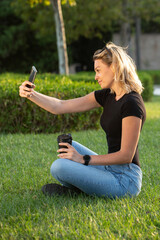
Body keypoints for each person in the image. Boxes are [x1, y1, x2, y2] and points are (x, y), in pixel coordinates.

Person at [19, 42, 146, 198]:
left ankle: (77, 190)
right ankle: (82, 189)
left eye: (98, 71)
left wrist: (83, 159)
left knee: (59, 166)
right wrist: (31, 94)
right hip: (109, 169)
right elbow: (60, 106)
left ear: (114, 67)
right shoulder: (107, 95)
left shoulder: (132, 103)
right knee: (70, 147)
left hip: (125, 180)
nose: (96, 76)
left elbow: (125, 155)